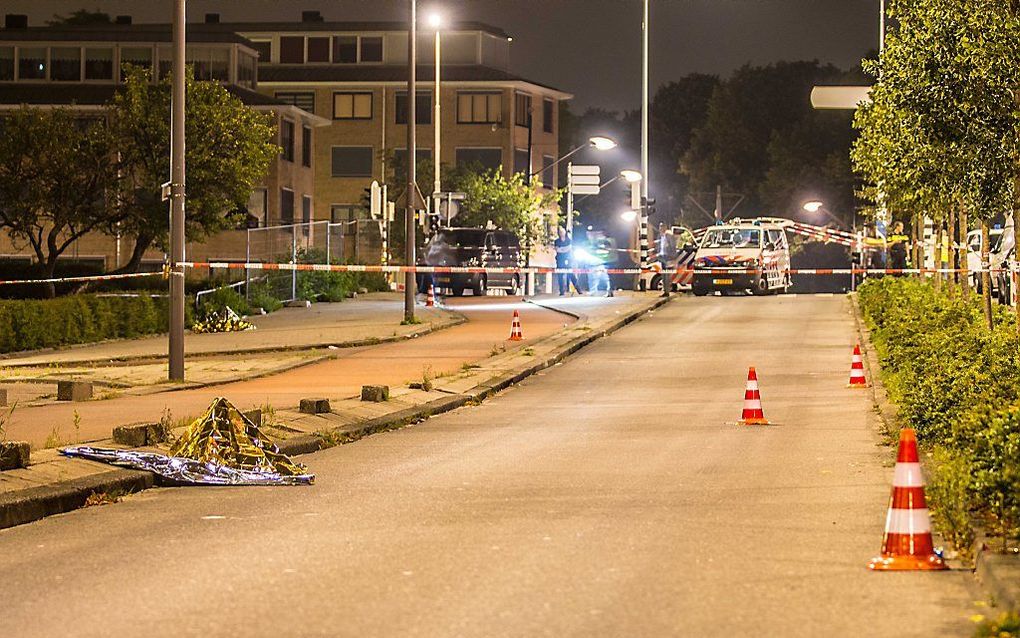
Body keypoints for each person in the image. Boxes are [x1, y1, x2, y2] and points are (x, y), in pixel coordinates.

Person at [554, 226, 582, 296]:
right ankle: (562, 291)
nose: (561, 233)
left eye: (562, 231)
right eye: (560, 232)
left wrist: (562, 249)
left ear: (565, 232)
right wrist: (563, 249)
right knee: (560, 275)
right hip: (560, 260)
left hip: (568, 260)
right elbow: (558, 250)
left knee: (571, 274)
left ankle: (579, 290)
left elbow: (568, 249)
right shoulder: (557, 241)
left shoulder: (568, 240)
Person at [656, 223, 677, 297]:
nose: (660, 229)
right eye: (659, 227)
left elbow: (673, 246)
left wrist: (673, 257)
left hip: (668, 257)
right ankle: (665, 290)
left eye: (662, 227)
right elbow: (658, 246)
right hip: (662, 257)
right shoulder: (660, 236)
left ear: (665, 227)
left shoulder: (669, 236)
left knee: (667, 275)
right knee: (663, 274)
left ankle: (667, 291)